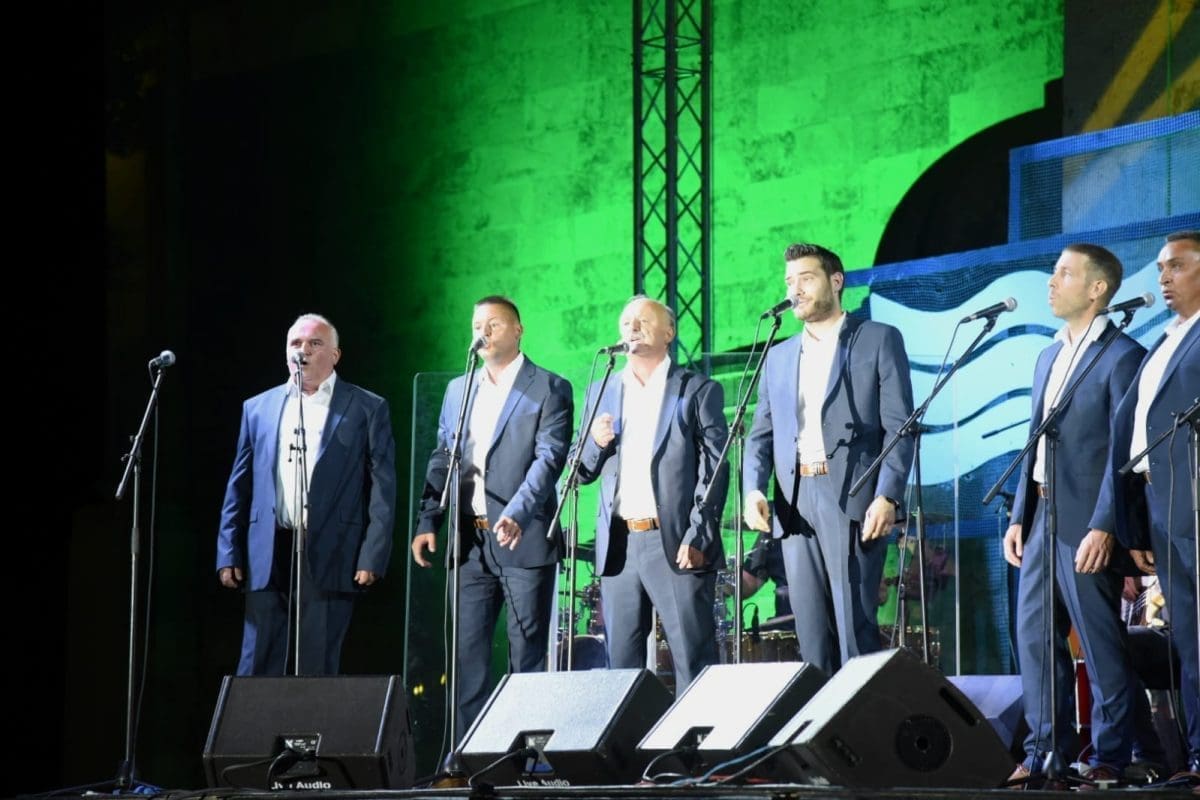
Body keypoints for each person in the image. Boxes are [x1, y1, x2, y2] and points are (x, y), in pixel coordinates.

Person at [1001, 244, 1145, 787]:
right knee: (1035, 637)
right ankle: (1045, 752)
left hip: (1087, 517)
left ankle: (1111, 754)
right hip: (1041, 513)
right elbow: (1035, 441)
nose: (1051, 281)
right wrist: (1020, 514)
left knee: (1099, 640)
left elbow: (1122, 452)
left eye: (1064, 273)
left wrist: (1105, 524)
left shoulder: (1122, 355)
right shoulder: (1048, 355)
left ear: (1097, 288)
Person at [743, 242, 914, 675]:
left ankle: (863, 715)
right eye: (789, 282)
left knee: (854, 625)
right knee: (810, 631)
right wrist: (752, 490)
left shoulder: (877, 338)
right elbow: (761, 432)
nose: (795, 290)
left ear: (836, 281)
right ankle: (819, 718)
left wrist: (887, 495)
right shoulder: (778, 356)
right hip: (794, 498)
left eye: (806, 279)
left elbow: (900, 426)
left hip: (851, 494)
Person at [413, 296, 573, 741]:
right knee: (468, 660)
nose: (482, 333)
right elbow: (443, 458)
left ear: (518, 330)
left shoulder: (548, 387)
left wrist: (518, 512)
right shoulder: (458, 390)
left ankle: (526, 757)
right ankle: (468, 754)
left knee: (526, 659)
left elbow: (549, 458)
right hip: (469, 543)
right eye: (477, 325)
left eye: (493, 324)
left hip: (523, 538)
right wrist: (428, 521)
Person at [217, 313, 396, 675]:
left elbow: (383, 486)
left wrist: (373, 554)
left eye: (315, 344)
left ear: (335, 355)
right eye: (296, 343)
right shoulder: (258, 407)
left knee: (317, 665)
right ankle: (257, 717)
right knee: (257, 663)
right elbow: (239, 484)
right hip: (268, 549)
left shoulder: (366, 406)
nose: (303, 351)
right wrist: (228, 550)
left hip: (333, 549)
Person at [576, 296, 729, 693]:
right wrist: (595, 443)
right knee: (621, 669)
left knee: (692, 659)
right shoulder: (603, 389)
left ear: (669, 332)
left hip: (675, 540)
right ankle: (630, 737)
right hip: (620, 545)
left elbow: (715, 468)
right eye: (626, 320)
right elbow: (581, 471)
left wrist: (699, 534)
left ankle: (696, 735)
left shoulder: (696, 389)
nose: (632, 327)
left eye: (644, 320)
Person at [1109, 230, 1200, 785]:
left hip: (1194, 496)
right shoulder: (1165, 340)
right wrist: (1135, 523)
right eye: (1161, 268)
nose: (1164, 277)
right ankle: (1195, 758)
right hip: (1160, 501)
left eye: (1178, 266)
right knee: (1188, 636)